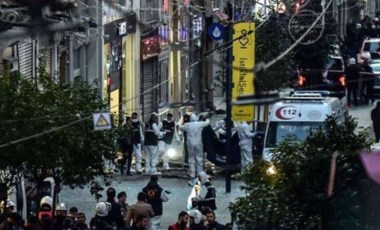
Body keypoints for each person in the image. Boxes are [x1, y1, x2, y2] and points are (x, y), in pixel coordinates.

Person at [179, 114, 210, 181]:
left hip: (190, 144)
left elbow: (180, 127)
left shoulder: (187, 125)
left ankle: (192, 174)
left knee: (191, 158)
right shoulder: (199, 124)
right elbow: (207, 123)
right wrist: (207, 118)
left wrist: (180, 121)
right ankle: (200, 173)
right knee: (199, 158)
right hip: (198, 143)